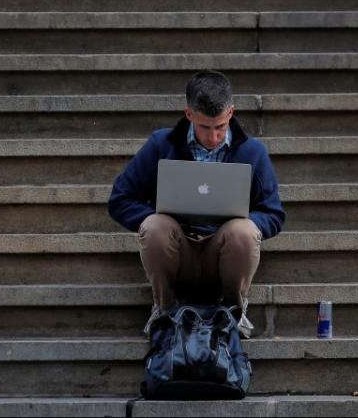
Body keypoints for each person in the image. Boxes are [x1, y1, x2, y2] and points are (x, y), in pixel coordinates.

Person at [108, 70, 286, 338]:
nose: (213, 137)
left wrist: (245, 220)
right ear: (189, 115)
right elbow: (120, 199)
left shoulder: (252, 152)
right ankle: (164, 308)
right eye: (205, 127)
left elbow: (273, 213)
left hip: (223, 254)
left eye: (220, 127)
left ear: (231, 113)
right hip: (178, 251)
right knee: (155, 226)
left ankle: (234, 311)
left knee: (244, 231)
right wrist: (161, 216)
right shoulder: (161, 145)